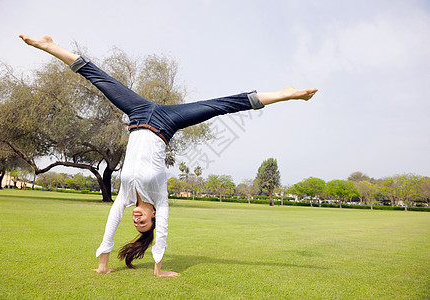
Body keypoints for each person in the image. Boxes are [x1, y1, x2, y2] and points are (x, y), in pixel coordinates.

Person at [19, 35, 318, 277]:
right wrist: (158, 269)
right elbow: (161, 234)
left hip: (137, 115)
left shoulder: (124, 197)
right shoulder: (160, 198)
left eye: (135, 223)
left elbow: (110, 227)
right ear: (153, 218)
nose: (136, 219)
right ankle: (286, 94)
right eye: (143, 223)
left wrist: (102, 264)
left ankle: (50, 46)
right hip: (165, 122)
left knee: (100, 79)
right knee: (221, 105)